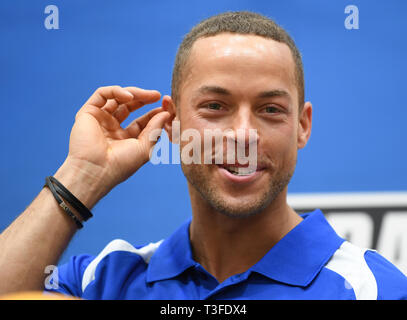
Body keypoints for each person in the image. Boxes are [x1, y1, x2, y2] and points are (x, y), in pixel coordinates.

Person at [0, 11, 406, 300]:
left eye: (270, 110)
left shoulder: (372, 289)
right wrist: (82, 175)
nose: (244, 135)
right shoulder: (104, 280)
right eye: (215, 106)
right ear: (172, 123)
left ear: (302, 126)